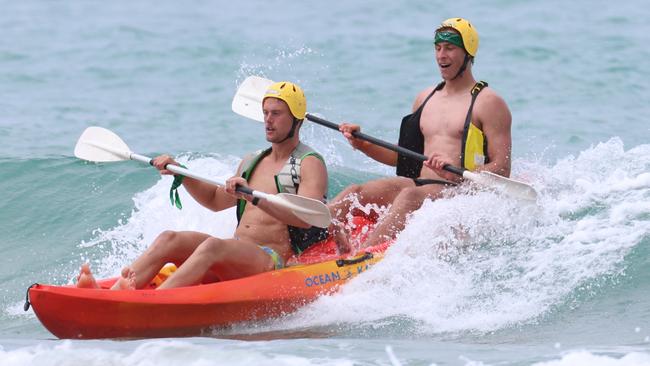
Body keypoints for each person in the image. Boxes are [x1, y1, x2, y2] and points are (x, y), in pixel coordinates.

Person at [77, 81, 329, 290]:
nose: (268, 120)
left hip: (270, 258)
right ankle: (114, 292)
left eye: (276, 113)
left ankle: (157, 300)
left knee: (211, 246)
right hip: (237, 251)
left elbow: (307, 218)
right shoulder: (252, 161)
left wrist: (253, 197)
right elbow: (215, 201)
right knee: (169, 239)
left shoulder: (308, 163)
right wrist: (182, 174)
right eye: (265, 113)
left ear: (297, 119)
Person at [330, 17, 512, 250]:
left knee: (408, 197)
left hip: (457, 193)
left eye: (450, 48)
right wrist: (362, 144)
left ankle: (361, 260)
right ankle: (305, 236)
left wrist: (459, 174)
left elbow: (502, 168)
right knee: (354, 192)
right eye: (437, 48)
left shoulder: (488, 102)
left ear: (468, 52)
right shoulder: (425, 98)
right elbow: (403, 156)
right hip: (419, 184)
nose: (441, 55)